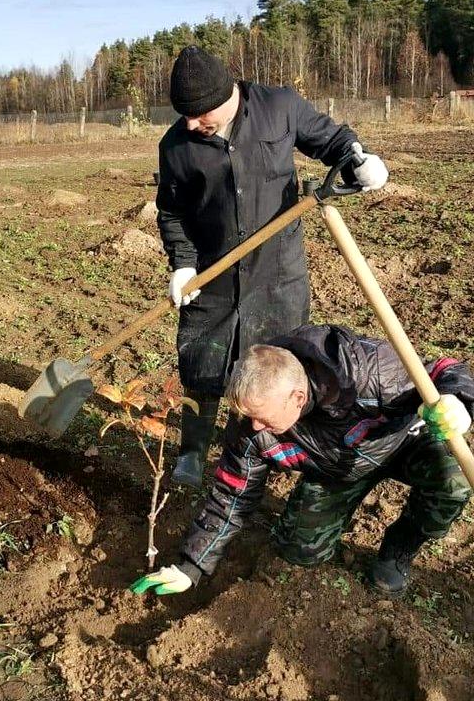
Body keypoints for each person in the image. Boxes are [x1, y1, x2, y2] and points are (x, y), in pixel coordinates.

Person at [157, 45, 390, 488]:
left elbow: (333, 140)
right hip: (214, 276)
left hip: (277, 275)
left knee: (269, 371)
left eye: (198, 113)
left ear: (226, 95)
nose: (190, 124)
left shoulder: (279, 108)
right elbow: (171, 212)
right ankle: (191, 450)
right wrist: (184, 265)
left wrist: (360, 159)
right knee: (202, 367)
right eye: (183, 115)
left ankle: (249, 455)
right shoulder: (175, 146)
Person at [131, 324, 474, 597]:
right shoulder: (250, 425)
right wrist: (192, 566)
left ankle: (400, 548)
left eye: (263, 418)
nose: (254, 426)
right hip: (335, 470)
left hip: (400, 443)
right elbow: (231, 497)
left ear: (297, 397)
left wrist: (457, 400)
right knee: (299, 550)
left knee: (453, 482)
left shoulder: (367, 371)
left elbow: (445, 369)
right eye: (248, 417)